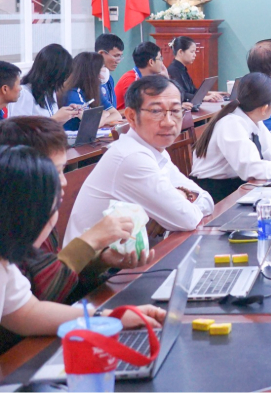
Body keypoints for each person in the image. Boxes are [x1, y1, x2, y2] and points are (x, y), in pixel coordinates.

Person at [0, 145, 164, 353]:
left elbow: (27, 312)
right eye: (53, 207)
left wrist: (113, 318)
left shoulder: (5, 260)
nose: (52, 219)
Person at [0, 117, 151, 303]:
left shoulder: (40, 214)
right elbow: (37, 299)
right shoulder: (13, 227)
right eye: (55, 172)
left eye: (63, 170)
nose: (64, 181)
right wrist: (91, 239)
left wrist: (101, 261)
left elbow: (57, 285)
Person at [65, 75, 214, 243]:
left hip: (126, 250)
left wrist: (180, 196)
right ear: (131, 116)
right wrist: (183, 198)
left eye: (175, 111)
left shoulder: (154, 150)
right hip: (91, 258)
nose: (169, 122)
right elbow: (187, 219)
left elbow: (207, 201)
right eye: (156, 111)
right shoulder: (131, 157)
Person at [190, 72, 271, 202]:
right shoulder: (231, 124)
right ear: (264, 108)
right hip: (214, 193)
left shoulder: (253, 119)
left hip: (232, 186)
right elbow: (252, 169)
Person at [8, 44, 81, 125]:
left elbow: (53, 126)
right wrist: (55, 118)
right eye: (61, 77)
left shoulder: (49, 91)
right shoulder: (23, 94)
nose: (63, 81)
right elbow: (19, 129)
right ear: (52, 74)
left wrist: (66, 116)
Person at [58, 52, 122, 130]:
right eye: (102, 67)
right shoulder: (73, 92)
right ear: (91, 71)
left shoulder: (94, 89)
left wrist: (103, 118)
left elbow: (117, 115)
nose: (105, 70)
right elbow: (92, 123)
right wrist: (105, 114)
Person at [166, 36, 224, 104]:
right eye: (192, 52)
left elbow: (192, 90)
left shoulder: (182, 69)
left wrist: (210, 93)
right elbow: (181, 94)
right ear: (180, 52)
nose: (195, 55)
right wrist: (204, 98)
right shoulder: (173, 70)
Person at [114, 42, 167, 109]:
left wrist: (165, 80)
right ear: (151, 62)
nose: (162, 62)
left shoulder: (149, 79)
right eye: (160, 59)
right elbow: (137, 109)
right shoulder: (131, 80)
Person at [94, 33, 124, 109]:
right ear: (101, 53)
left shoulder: (110, 79)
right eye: (115, 56)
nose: (118, 61)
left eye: (120, 57)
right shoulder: (90, 79)